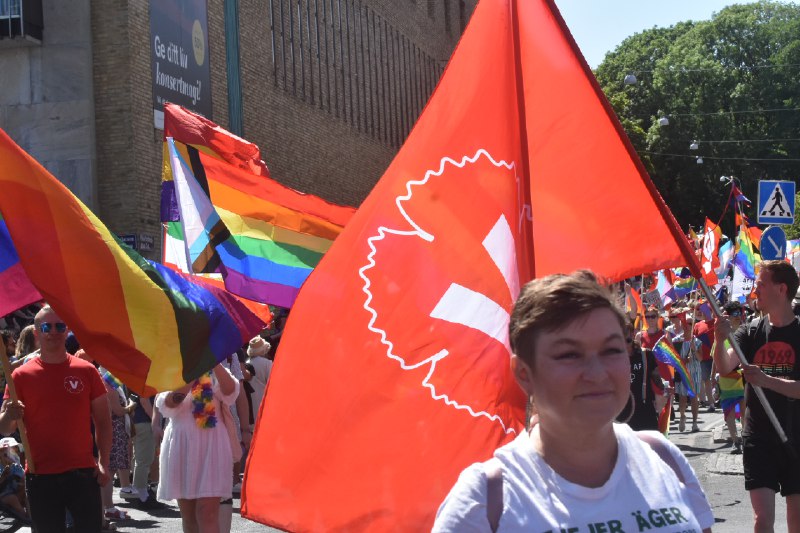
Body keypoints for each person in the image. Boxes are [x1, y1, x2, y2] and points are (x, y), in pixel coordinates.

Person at [433, 271, 714, 532]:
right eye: (568, 354)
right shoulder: (486, 501)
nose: (597, 373)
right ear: (523, 373)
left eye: (612, 349)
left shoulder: (663, 456)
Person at [0, 305, 112, 533]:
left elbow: (103, 421)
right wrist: (10, 415)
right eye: (46, 326)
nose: (53, 331)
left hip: (83, 473)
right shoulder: (19, 376)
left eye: (59, 326)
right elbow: (4, 428)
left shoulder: (87, 370)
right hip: (40, 475)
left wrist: (104, 462)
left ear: (67, 330)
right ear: (36, 333)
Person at [714, 260, 800, 532]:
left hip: (797, 436)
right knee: (762, 520)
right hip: (758, 436)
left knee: (797, 520)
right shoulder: (750, 330)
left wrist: (766, 381)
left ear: (781, 289)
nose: (755, 291)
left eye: (761, 284)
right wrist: (719, 339)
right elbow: (725, 365)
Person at [156, 363, 239, 533]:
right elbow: (168, 405)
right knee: (189, 517)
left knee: (207, 513)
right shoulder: (170, 367)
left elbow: (231, 394)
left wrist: (213, 362)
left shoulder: (216, 366)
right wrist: (193, 374)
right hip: (182, 444)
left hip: (213, 444)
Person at [714, 302, 746, 454]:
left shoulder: (745, 332)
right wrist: (713, 378)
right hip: (726, 381)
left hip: (743, 380)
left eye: (740, 314)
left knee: (745, 412)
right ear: (727, 315)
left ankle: (746, 438)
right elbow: (716, 358)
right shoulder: (720, 334)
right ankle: (736, 441)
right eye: (735, 314)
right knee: (729, 414)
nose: (738, 317)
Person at [617, 320, 660, 431]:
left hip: (644, 409)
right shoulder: (612, 358)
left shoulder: (646, 355)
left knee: (650, 445)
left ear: (632, 334)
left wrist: (665, 387)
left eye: (626, 339)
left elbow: (657, 378)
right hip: (621, 411)